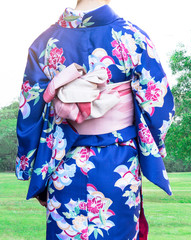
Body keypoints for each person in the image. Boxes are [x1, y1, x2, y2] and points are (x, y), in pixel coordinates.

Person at [15, 0, 175, 239]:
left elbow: (29, 114)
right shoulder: (132, 37)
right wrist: (154, 148)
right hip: (119, 163)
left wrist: (32, 168)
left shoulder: (43, 44)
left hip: (62, 164)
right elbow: (159, 108)